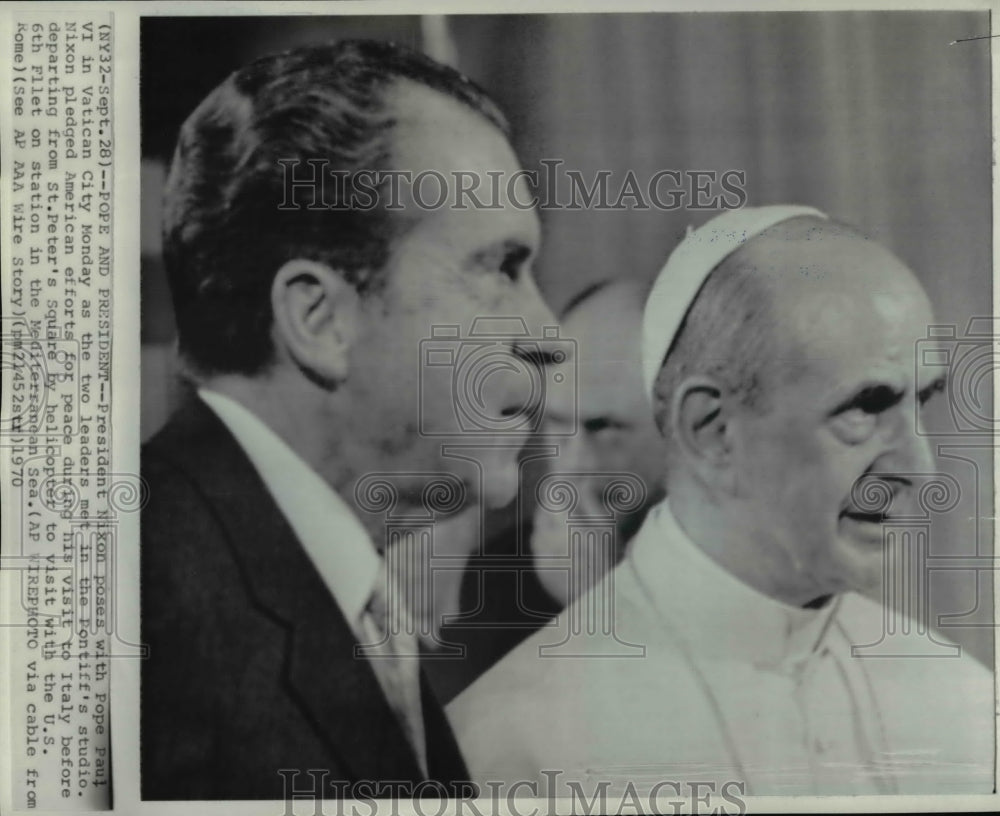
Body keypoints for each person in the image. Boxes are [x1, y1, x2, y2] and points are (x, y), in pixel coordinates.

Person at [448, 206, 994, 798]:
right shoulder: (511, 744)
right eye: (864, 408)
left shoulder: (960, 698)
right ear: (712, 430)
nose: (920, 468)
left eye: (922, 404)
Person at [141, 40, 559, 800]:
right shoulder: (137, 608)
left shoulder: (342, 596)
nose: (549, 335)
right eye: (500, 268)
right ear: (319, 318)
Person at [424, 279, 669, 703]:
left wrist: (599, 611)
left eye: (604, 428)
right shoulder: (489, 582)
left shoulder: (759, 572)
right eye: (557, 423)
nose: (570, 464)